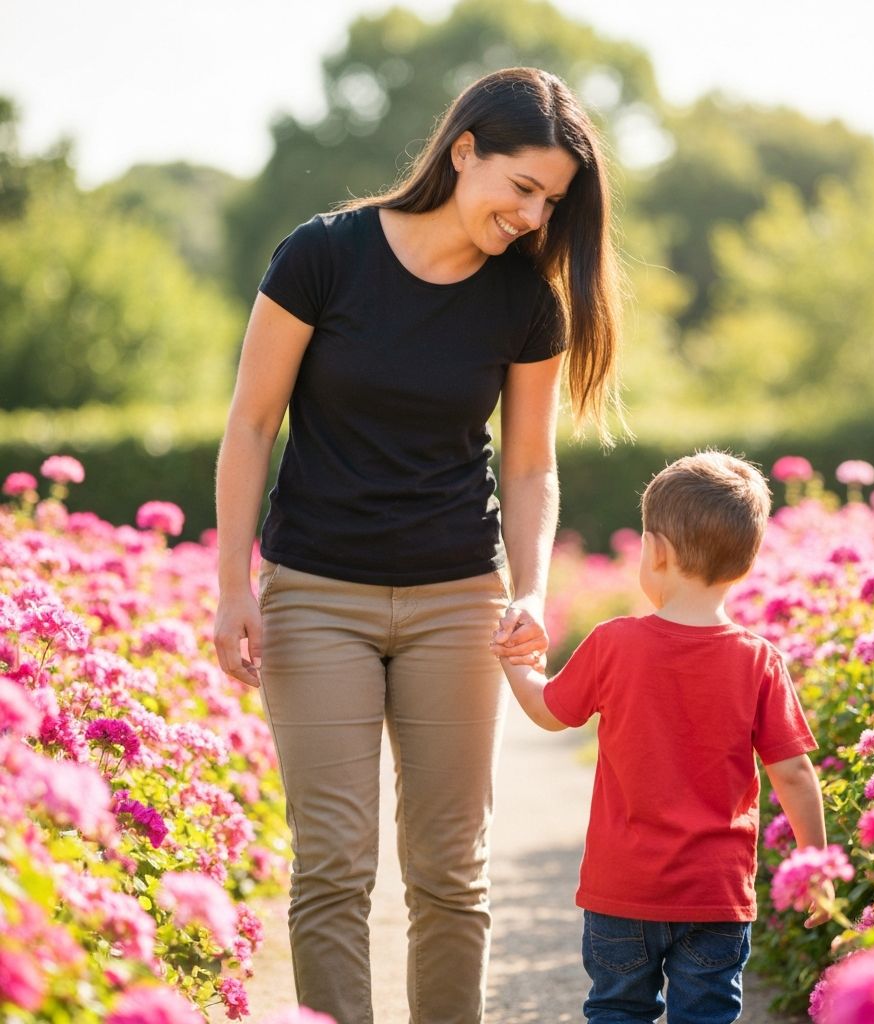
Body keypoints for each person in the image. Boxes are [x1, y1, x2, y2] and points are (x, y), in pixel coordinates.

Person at [212, 67, 623, 1024]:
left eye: (551, 202)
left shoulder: (525, 302)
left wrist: (527, 590)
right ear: (465, 148)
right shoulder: (324, 256)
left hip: (457, 602)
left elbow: (529, 468)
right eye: (522, 187)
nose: (531, 215)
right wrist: (234, 588)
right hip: (316, 595)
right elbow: (250, 423)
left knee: (450, 871)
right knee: (334, 864)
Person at [493, 450, 829, 1024]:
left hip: (622, 890)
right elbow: (794, 773)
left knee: (618, 1009)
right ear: (745, 565)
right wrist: (815, 863)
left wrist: (517, 664)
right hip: (716, 897)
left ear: (655, 552)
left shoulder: (613, 643)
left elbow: (550, 713)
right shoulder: (759, 660)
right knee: (707, 1014)